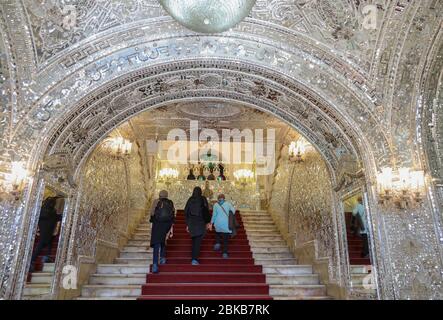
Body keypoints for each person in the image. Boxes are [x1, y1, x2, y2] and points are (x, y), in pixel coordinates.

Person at [29, 197, 62, 272]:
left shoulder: (43, 210)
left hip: (46, 230)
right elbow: (56, 217)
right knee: (42, 244)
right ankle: (32, 260)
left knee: (48, 242)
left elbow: (55, 218)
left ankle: (46, 257)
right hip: (47, 230)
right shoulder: (50, 211)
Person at [149, 190, 175, 273]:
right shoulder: (170, 202)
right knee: (163, 240)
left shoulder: (156, 201)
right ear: (166, 195)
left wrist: (152, 222)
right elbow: (173, 213)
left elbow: (152, 213)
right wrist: (171, 226)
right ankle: (163, 258)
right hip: (167, 224)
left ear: (159, 195)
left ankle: (155, 265)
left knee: (156, 244)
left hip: (157, 224)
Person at [184, 186, 211, 265]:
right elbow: (206, 211)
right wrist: (208, 222)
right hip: (200, 222)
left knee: (194, 240)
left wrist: (187, 224)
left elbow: (186, 211)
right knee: (198, 241)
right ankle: (194, 259)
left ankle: (193, 258)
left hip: (192, 223)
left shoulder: (190, 199)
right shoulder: (203, 199)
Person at [210, 194, 236, 259]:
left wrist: (211, 223)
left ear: (218, 198)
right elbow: (233, 211)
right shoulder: (228, 204)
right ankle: (224, 253)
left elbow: (214, 215)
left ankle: (218, 242)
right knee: (225, 240)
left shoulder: (215, 205)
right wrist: (231, 209)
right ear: (224, 198)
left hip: (218, 223)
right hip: (225, 224)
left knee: (217, 233)